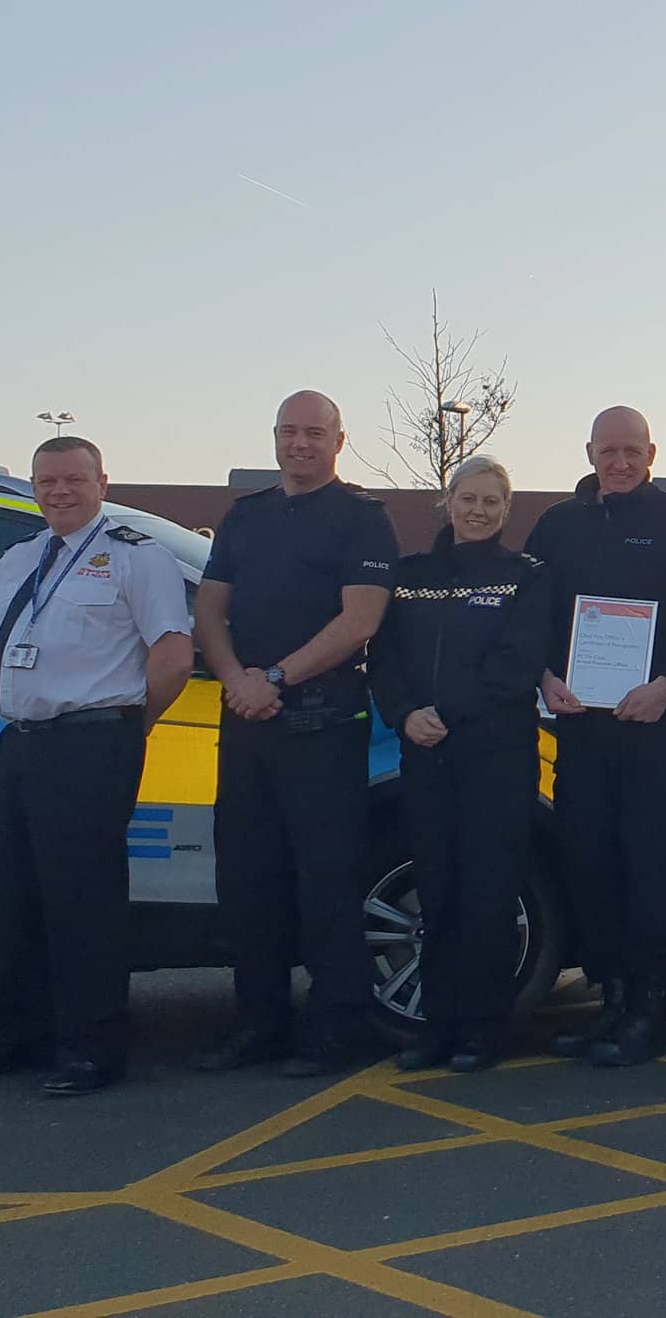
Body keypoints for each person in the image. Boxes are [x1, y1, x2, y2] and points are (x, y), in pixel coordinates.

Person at [0, 437, 192, 1096]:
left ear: (102, 481)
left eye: (74, 478)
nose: (59, 491)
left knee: (85, 904)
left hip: (93, 740)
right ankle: (16, 1042)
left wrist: (133, 727)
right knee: (18, 900)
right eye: (46, 480)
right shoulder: (19, 557)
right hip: (19, 741)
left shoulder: (138, 557)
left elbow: (172, 654)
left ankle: (91, 1051)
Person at [192, 391, 398, 1077]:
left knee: (326, 883)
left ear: (340, 440)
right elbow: (210, 609)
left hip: (322, 727)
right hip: (248, 724)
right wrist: (235, 680)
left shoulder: (362, 520)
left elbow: (360, 620)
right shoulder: (245, 515)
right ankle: (260, 1025)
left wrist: (273, 677)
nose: (300, 443)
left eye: (315, 432)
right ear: (274, 437)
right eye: (289, 431)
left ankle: (337, 1030)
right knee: (248, 883)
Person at [527, 407, 666, 1067]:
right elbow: (530, 618)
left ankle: (650, 1003)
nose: (620, 461)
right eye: (608, 449)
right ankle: (609, 998)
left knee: (649, 866)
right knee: (589, 861)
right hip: (582, 730)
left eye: (631, 450)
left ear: (652, 452)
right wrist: (545, 675)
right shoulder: (557, 528)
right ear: (589, 452)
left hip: (655, 732)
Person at [366, 455, 550, 1073]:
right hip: (425, 755)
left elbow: (516, 664)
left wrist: (441, 710)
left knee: (489, 894)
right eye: (467, 499)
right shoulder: (410, 575)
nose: (477, 511)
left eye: (490, 502)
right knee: (437, 891)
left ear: (506, 509)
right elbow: (383, 655)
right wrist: (404, 712)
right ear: (448, 501)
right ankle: (437, 1026)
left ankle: (484, 1028)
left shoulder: (524, 576)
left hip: (494, 757)